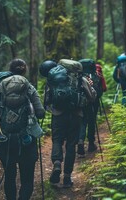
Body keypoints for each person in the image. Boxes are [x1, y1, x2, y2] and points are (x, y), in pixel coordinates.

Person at [0, 59, 45, 200]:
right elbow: (40, 113)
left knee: (10, 175)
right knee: (27, 177)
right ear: (24, 70)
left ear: (10, 69)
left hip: (4, 139)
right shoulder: (29, 88)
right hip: (26, 139)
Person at [40, 59, 96, 188]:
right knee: (71, 145)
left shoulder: (53, 78)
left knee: (57, 140)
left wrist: (51, 109)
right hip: (76, 115)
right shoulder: (81, 79)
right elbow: (92, 97)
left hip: (58, 115)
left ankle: (57, 163)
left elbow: (46, 99)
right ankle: (67, 177)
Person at [77, 59, 107, 157]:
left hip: (82, 103)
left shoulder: (79, 77)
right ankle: (91, 143)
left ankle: (80, 141)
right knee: (91, 121)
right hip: (94, 102)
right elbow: (102, 89)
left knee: (82, 121)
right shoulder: (97, 75)